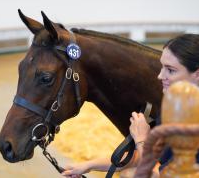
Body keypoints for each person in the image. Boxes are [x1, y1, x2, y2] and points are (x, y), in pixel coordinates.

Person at [62, 34, 199, 178]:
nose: (160, 76)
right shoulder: (175, 108)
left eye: (170, 70)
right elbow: (142, 158)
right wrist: (88, 165)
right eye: (162, 67)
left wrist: (141, 139)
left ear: (197, 74)